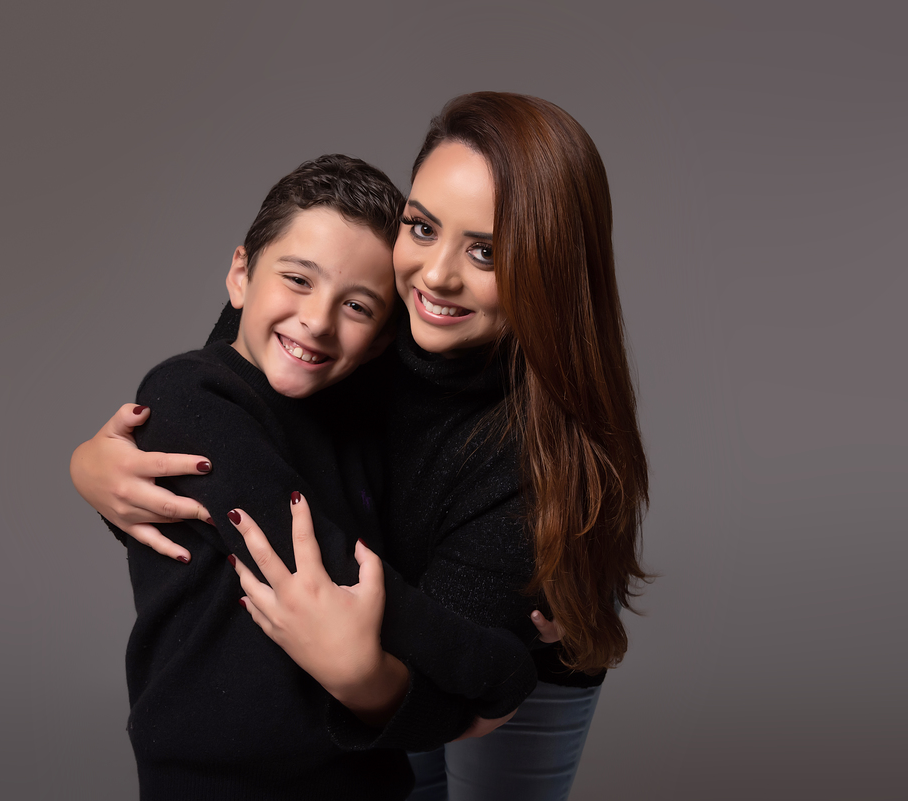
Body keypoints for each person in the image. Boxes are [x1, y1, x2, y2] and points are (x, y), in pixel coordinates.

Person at [73, 93, 649, 801]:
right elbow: (219, 416)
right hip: (399, 627)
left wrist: (455, 676)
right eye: (422, 226)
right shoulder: (350, 298)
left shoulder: (528, 457)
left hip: (510, 639)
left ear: (546, 269)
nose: (435, 276)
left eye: (485, 252)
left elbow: (451, 674)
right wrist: (99, 467)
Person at [107, 153, 537, 801]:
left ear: (383, 337)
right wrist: (499, 669)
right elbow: (339, 576)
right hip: (214, 783)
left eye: (358, 306)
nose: (317, 319)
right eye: (298, 280)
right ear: (240, 274)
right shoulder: (188, 395)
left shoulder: (353, 422)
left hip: (362, 773)